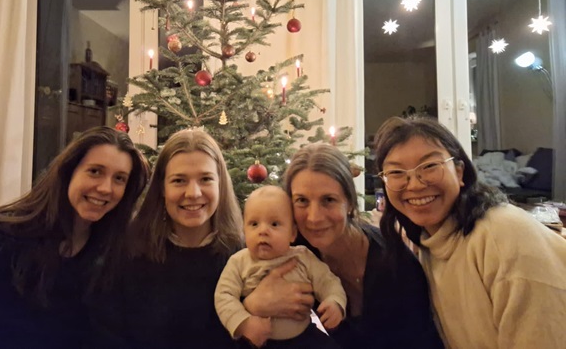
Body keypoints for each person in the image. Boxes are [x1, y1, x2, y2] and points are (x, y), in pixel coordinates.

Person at [374, 115, 566, 349]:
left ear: (460, 172)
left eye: (430, 166)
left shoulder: (504, 236)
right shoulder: (428, 240)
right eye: (396, 173)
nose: (414, 184)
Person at [243, 143, 443, 349]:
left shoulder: (394, 263)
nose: (314, 217)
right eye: (302, 200)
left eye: (328, 200)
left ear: (349, 203)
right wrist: (253, 305)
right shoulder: (292, 251)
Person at [0, 126, 150, 349]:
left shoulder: (113, 256)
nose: (105, 188)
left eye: (119, 178)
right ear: (68, 173)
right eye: (95, 171)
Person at [91, 128, 244, 349]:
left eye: (205, 179)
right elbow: (107, 335)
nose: (193, 193)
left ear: (220, 184)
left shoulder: (244, 258)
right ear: (162, 187)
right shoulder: (128, 254)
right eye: (179, 180)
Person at [215, 185, 346, 348]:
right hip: (258, 341)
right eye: (254, 224)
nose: (263, 231)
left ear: (292, 233)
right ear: (244, 231)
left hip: (304, 337)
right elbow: (223, 296)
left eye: (275, 224)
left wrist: (335, 302)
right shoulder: (239, 261)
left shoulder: (303, 257)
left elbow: (328, 282)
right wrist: (244, 322)